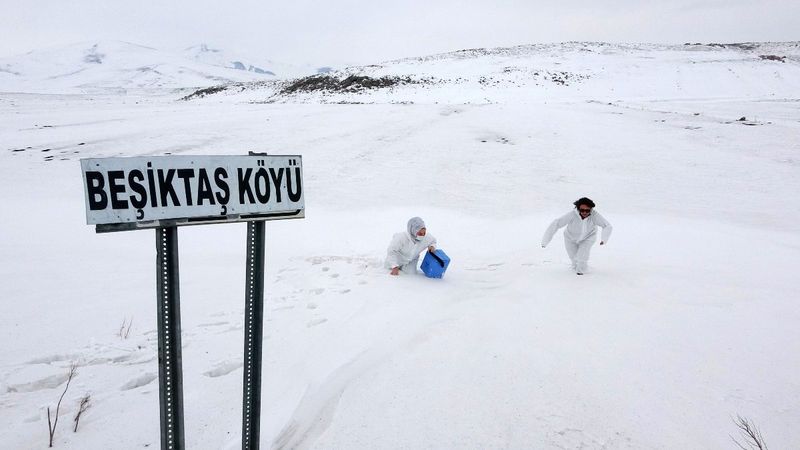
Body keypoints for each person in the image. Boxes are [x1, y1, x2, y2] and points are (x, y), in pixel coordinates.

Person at [541, 197, 612, 275]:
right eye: (582, 210)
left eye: (587, 210)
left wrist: (604, 239)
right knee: (573, 258)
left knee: (582, 256)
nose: (584, 212)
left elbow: (607, 225)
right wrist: (545, 241)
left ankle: (581, 273)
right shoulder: (572, 215)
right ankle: (575, 267)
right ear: (578, 209)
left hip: (588, 237)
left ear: (591, 209)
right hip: (570, 238)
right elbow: (556, 224)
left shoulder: (595, 215)